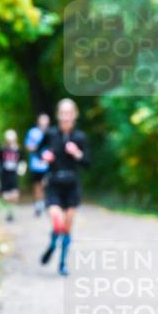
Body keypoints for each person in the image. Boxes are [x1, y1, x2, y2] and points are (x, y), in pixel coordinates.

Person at [38, 99, 90, 276]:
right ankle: (53, 244)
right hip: (54, 183)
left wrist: (77, 153)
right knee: (56, 219)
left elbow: (88, 163)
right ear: (58, 115)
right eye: (63, 113)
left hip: (72, 185)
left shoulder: (80, 137)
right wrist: (44, 156)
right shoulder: (51, 134)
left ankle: (62, 263)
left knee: (67, 227)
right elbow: (39, 152)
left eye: (69, 113)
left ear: (75, 115)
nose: (66, 116)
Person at [25, 113, 51, 216]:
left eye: (46, 120)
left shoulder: (51, 132)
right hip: (36, 164)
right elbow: (28, 146)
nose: (44, 122)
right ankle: (38, 204)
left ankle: (45, 203)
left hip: (48, 165)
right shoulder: (33, 132)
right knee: (37, 185)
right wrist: (37, 149)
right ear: (38, 121)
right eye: (42, 120)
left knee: (47, 184)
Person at [0, 130, 22, 222]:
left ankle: (11, 211)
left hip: (14, 174)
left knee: (15, 194)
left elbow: (22, 161)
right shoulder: (2, 149)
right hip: (4, 174)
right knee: (5, 195)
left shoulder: (18, 149)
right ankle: (8, 211)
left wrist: (21, 170)